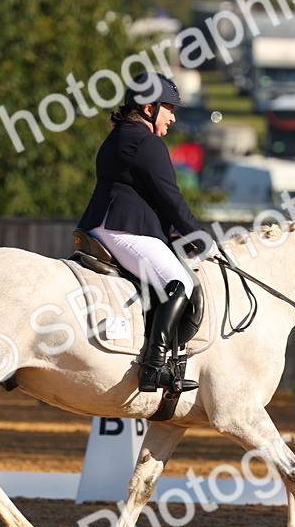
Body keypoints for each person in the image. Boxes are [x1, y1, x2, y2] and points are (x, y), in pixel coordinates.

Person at [77, 71, 218, 393]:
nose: (174, 117)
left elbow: (146, 196)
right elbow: (170, 198)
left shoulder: (120, 136)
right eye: (169, 108)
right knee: (179, 284)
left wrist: (172, 236)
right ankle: (154, 367)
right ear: (149, 107)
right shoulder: (146, 141)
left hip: (108, 223)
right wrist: (201, 237)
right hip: (123, 228)